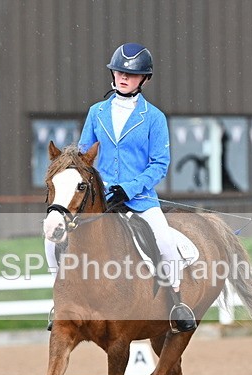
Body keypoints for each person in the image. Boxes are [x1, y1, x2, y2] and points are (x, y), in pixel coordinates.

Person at [45, 42, 197, 334]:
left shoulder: (154, 118)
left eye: (131, 75)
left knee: (165, 242)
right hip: (98, 200)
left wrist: (128, 187)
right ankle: (59, 300)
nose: (123, 78)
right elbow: (84, 157)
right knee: (51, 240)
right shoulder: (96, 112)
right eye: (118, 72)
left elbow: (159, 164)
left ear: (144, 80)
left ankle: (177, 303)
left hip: (138, 198)